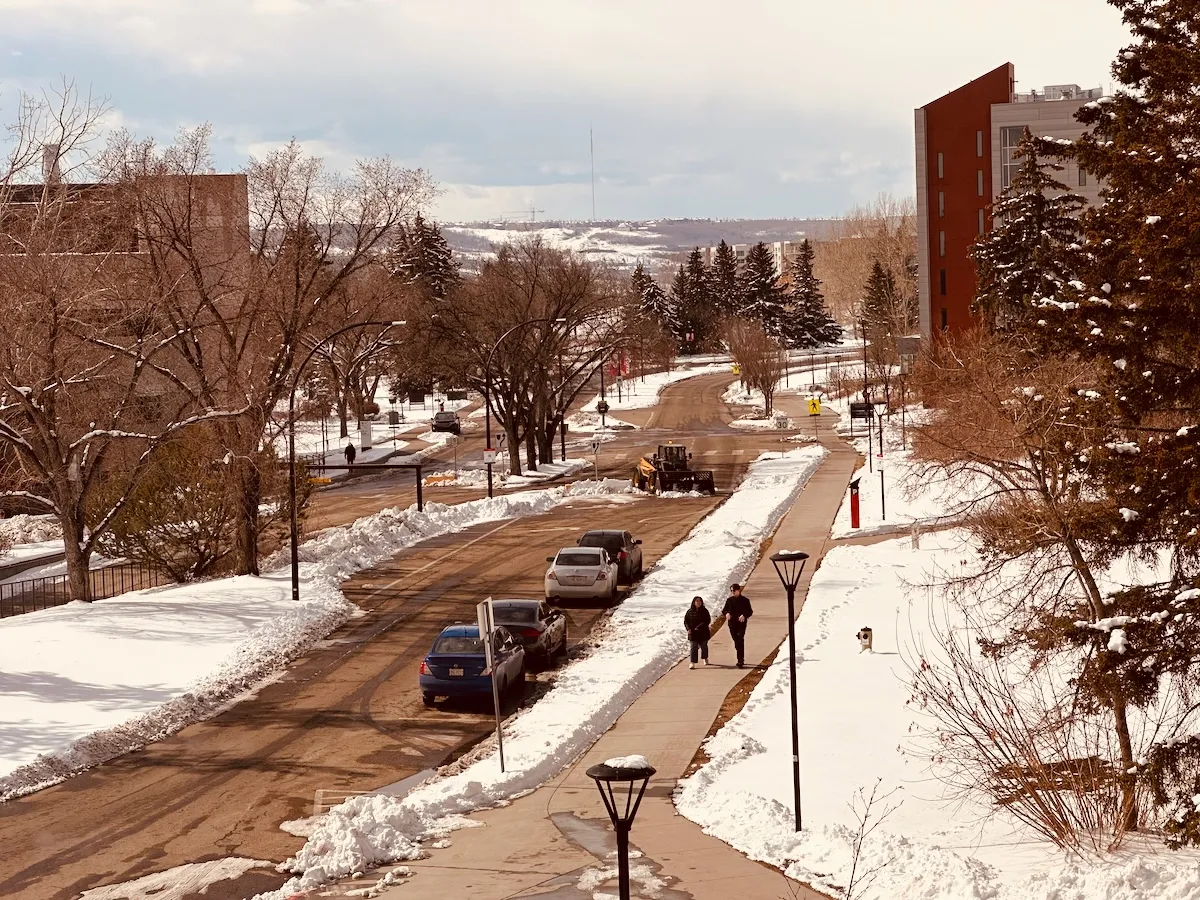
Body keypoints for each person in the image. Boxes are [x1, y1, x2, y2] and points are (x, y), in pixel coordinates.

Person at [721, 583, 753, 668]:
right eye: (731, 591)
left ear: (738, 590)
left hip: (741, 624)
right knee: (736, 641)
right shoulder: (729, 600)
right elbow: (724, 610)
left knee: (740, 639)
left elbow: (750, 611)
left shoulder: (745, 600)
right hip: (732, 624)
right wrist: (727, 614)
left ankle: (740, 660)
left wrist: (744, 615)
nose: (733, 592)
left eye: (734, 590)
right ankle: (740, 655)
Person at [683, 596, 711, 669]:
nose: (698, 603)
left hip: (703, 632)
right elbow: (686, 621)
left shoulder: (705, 611)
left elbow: (707, 620)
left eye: (700, 601)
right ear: (694, 602)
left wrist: (699, 627)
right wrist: (688, 629)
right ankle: (692, 662)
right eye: (697, 601)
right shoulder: (689, 611)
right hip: (693, 633)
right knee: (693, 647)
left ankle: (705, 658)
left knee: (704, 646)